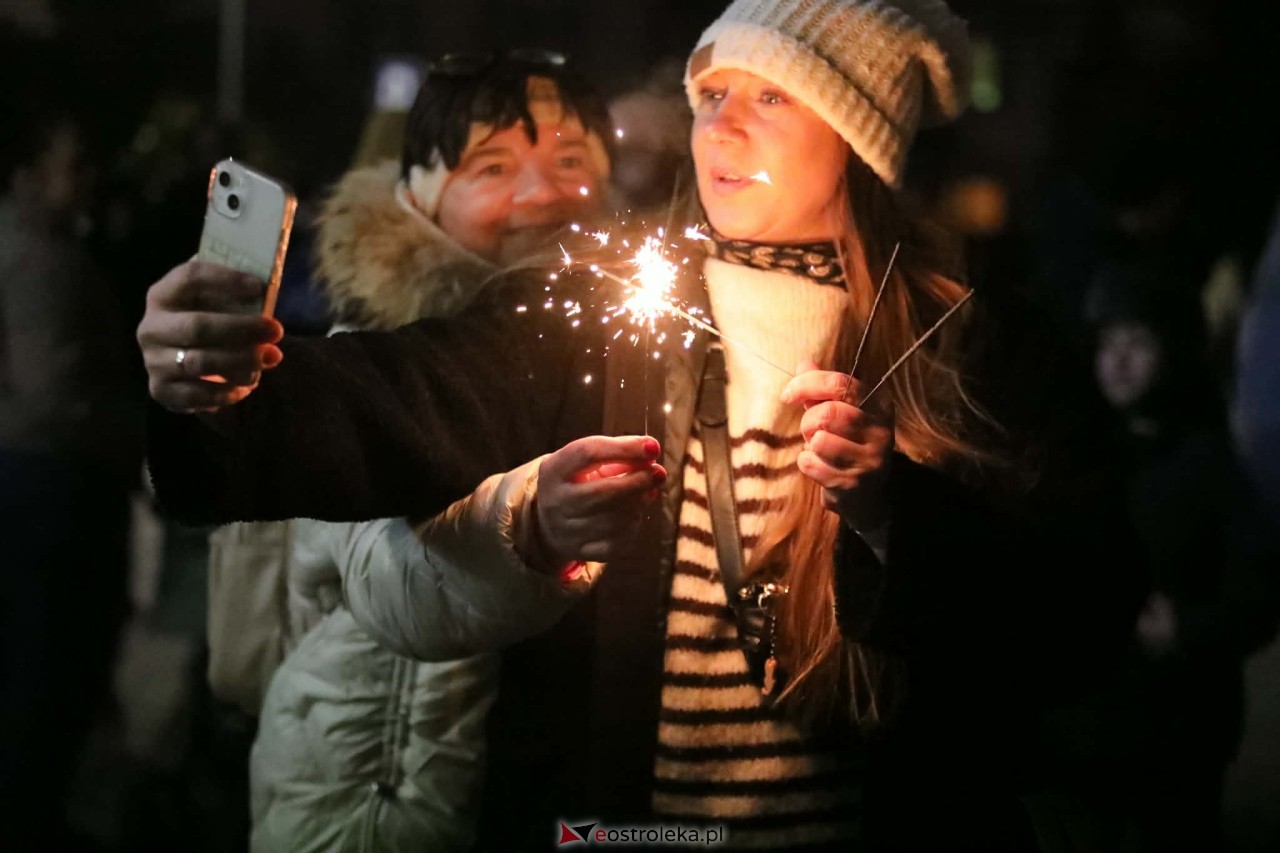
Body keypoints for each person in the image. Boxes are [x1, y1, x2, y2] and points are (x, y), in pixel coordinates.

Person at [136, 1, 1145, 848]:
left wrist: (893, 516)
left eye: (768, 96)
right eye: (709, 97)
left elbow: (1082, 610)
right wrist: (225, 390)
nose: (720, 129)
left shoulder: (973, 340)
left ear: (859, 132)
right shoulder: (620, 301)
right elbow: (419, 392)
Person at [201, 50, 616, 851]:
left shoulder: (636, 349)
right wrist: (534, 530)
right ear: (421, 194)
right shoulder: (381, 359)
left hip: (563, 805)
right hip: (368, 800)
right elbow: (390, 580)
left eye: (570, 161)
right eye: (493, 166)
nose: (541, 194)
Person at [1081, 258, 1280, 852]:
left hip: (1185, 722)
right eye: (1108, 342)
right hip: (1098, 719)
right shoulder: (1089, 457)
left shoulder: (1211, 466)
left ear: (1174, 350)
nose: (1117, 360)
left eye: (1137, 341)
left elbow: (1263, 587)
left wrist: (1190, 628)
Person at [1, 92, 144, 844]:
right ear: (26, 174)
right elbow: (57, 394)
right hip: (53, 496)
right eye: (71, 164)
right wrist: (143, 438)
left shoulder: (36, 246)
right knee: (49, 680)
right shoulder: (41, 261)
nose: (88, 177)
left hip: (38, 492)